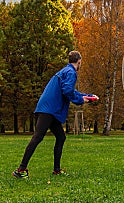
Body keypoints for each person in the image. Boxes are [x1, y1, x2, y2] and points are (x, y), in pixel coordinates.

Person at [12, 51, 98, 179]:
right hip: (49, 110)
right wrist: (81, 100)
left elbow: (70, 90)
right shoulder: (71, 73)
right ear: (79, 61)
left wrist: (87, 96)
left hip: (47, 108)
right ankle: (21, 169)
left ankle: (56, 170)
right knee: (38, 137)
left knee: (61, 137)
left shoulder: (65, 71)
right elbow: (67, 90)